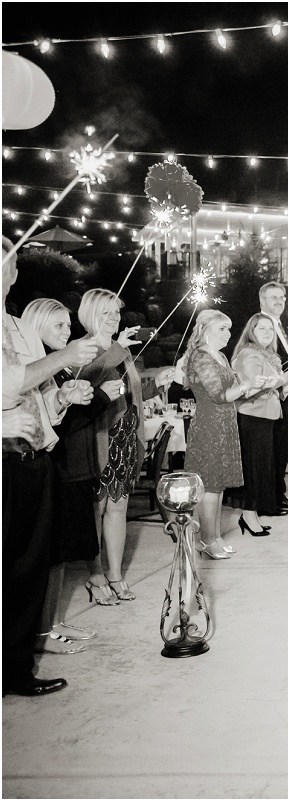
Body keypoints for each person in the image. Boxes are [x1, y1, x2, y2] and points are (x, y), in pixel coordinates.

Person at [3, 237, 98, 696]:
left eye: (6, 261)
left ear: (14, 273)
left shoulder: (16, 328)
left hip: (32, 460)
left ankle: (16, 671)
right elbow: (7, 383)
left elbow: (35, 394)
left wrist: (61, 395)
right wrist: (64, 357)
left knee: (27, 570)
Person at [22, 300, 121, 649]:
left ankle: (52, 622)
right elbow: (54, 426)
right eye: (60, 326)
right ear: (37, 328)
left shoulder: (55, 370)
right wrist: (96, 401)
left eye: (68, 325)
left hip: (73, 464)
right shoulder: (38, 368)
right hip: (58, 466)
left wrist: (72, 398)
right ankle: (42, 631)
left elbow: (60, 413)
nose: (67, 333)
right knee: (49, 556)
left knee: (59, 556)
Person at [76, 288, 145, 604]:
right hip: (101, 438)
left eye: (117, 312)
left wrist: (161, 381)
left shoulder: (122, 350)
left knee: (118, 507)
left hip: (126, 437)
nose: (114, 318)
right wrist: (117, 349)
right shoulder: (84, 348)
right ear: (90, 314)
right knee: (97, 508)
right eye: (107, 312)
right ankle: (95, 575)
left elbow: (129, 394)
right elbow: (89, 377)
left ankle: (115, 574)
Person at [183, 310, 265, 558]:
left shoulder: (218, 356)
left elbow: (234, 390)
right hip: (210, 425)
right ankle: (206, 540)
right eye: (222, 329)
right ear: (205, 329)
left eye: (229, 329)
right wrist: (246, 385)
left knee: (217, 486)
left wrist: (253, 385)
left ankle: (214, 537)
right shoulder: (201, 357)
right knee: (209, 484)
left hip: (225, 423)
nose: (228, 334)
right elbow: (219, 396)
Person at [231, 313, 288, 534]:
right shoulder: (249, 354)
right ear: (251, 332)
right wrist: (285, 378)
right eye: (261, 328)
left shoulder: (268, 356)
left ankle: (252, 514)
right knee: (254, 469)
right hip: (252, 417)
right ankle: (248, 516)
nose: (267, 332)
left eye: (270, 328)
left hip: (266, 416)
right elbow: (254, 388)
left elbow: (277, 392)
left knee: (261, 468)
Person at [257, 281, 288, 514]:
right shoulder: (260, 326)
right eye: (274, 297)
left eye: (282, 297)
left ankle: (278, 493)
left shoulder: (282, 326)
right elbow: (263, 360)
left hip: (287, 394)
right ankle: (269, 498)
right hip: (270, 395)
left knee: (281, 449)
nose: (280, 301)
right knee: (271, 450)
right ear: (262, 301)